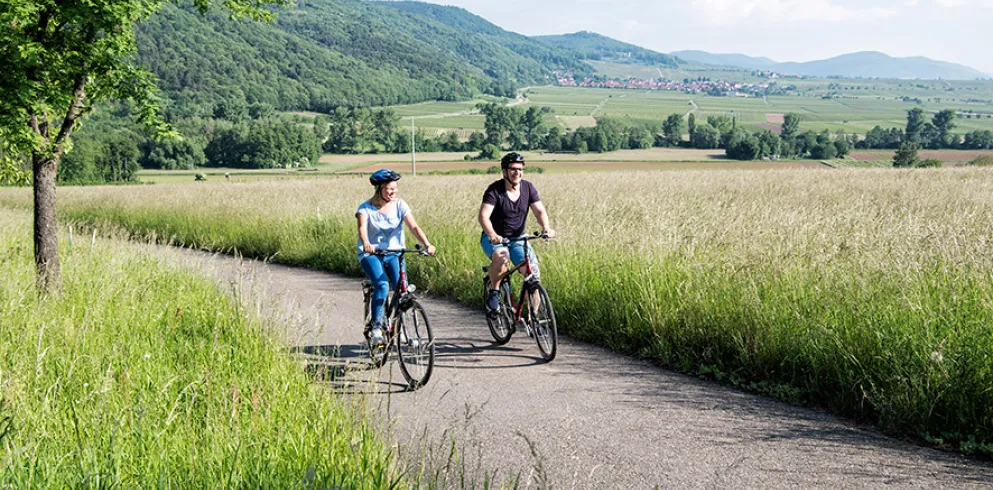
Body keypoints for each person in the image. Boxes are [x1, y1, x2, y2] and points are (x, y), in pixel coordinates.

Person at [356, 169, 436, 347]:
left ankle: (398, 330)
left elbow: (413, 226)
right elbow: (362, 228)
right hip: (372, 254)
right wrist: (367, 243)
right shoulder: (365, 208)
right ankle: (376, 328)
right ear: (379, 189)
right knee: (382, 285)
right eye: (389, 189)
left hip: (394, 253)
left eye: (395, 189)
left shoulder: (400, 205)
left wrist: (427, 244)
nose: (393, 192)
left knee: (403, 290)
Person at [478, 152, 555, 315]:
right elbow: (483, 216)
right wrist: (492, 234)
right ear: (504, 171)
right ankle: (495, 291)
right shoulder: (495, 190)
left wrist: (546, 228)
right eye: (513, 169)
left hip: (519, 239)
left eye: (520, 169)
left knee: (532, 274)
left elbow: (539, 210)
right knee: (502, 258)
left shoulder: (528, 187)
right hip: (495, 238)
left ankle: (535, 319)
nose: (517, 173)